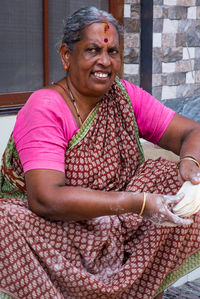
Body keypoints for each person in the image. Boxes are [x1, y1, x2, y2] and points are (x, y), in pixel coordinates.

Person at [0, 6, 200, 299]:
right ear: (67, 56)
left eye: (113, 52)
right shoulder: (45, 107)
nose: (104, 62)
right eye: (92, 50)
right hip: (54, 229)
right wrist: (139, 203)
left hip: (117, 222)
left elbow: (191, 131)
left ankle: (139, 290)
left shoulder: (124, 96)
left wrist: (189, 162)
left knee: (177, 182)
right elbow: (46, 199)